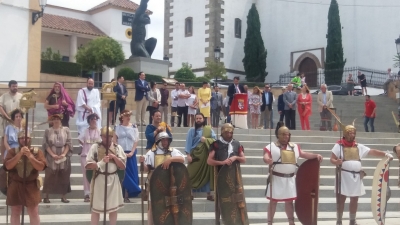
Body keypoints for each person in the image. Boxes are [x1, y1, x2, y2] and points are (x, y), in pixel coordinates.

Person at [329, 118, 393, 225]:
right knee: (341, 199)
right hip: (344, 176)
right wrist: (337, 162)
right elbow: (332, 159)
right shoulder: (339, 145)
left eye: (353, 133)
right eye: (350, 133)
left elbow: (372, 151)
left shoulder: (358, 146)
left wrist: (385, 154)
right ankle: (339, 220)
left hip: (356, 177)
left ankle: (352, 220)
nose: (352, 135)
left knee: (354, 199)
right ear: (345, 134)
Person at [263, 125, 323, 225]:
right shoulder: (271, 146)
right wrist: (267, 160)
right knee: (273, 202)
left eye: (288, 135)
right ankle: (269, 223)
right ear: (279, 135)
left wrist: (315, 155)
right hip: (276, 179)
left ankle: (291, 222)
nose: (286, 137)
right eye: (284, 135)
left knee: (289, 202)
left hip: (289, 179)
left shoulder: (294, 147)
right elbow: (266, 156)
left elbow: (303, 154)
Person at [139, 131, 185, 225]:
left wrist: (170, 159)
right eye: (163, 140)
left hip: (169, 182)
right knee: (152, 206)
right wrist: (142, 163)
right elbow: (146, 168)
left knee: (169, 206)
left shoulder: (173, 151)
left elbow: (182, 159)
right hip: (155, 182)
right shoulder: (151, 153)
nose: (165, 142)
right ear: (158, 141)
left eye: (166, 140)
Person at [85, 126, 126, 225]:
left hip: (113, 180)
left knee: (113, 208)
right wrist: (102, 162)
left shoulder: (117, 148)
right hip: (99, 179)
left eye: (109, 136)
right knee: (96, 208)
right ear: (101, 136)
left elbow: (123, 166)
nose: (107, 138)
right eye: (104, 136)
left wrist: (115, 158)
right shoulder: (95, 147)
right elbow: (88, 165)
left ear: (112, 136)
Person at [4, 129, 46, 225]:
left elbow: (41, 167)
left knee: (33, 212)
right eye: (22, 138)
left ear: (30, 139)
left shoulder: (37, 152)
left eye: (27, 137)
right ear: (18, 139)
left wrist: (30, 156)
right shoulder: (12, 151)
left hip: (31, 184)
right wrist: (19, 154)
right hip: (16, 184)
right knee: (15, 211)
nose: (24, 139)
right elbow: (7, 166)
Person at [42, 114, 72, 203]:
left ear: (61, 120)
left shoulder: (66, 130)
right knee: (49, 175)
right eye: (54, 119)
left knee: (64, 175)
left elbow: (69, 142)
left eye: (58, 119)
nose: (56, 120)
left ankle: (63, 196)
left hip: (63, 155)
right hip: (51, 156)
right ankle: (46, 196)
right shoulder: (48, 131)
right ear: (52, 121)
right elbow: (45, 144)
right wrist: (52, 154)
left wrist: (64, 154)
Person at [185, 113, 216, 200]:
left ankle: (209, 194)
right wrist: (188, 155)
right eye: (197, 118)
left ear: (203, 119)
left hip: (206, 156)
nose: (198, 120)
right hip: (195, 156)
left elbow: (215, 141)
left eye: (200, 118)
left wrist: (206, 140)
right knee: (190, 174)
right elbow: (188, 143)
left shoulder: (209, 130)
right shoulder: (191, 131)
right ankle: (189, 192)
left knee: (207, 175)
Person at [114, 110, 141, 202]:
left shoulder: (134, 127)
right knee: (123, 174)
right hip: (121, 153)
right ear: (122, 117)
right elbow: (115, 141)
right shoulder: (117, 127)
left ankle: (127, 195)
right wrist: (120, 152)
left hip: (131, 153)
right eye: (126, 116)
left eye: (129, 115)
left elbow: (136, 140)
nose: (128, 117)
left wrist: (132, 152)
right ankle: (121, 194)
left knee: (130, 174)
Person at [77, 113, 101, 202]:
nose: (94, 121)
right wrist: (85, 146)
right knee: (86, 174)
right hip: (86, 155)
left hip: (96, 156)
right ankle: (87, 194)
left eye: (95, 119)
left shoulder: (100, 131)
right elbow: (80, 139)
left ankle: (96, 193)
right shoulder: (85, 131)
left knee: (97, 174)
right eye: (92, 119)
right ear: (89, 121)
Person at [0, 80, 22, 161]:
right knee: (4, 138)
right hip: (6, 121)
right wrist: (7, 117)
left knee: (20, 137)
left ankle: (18, 156)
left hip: (18, 121)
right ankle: (3, 158)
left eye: (16, 86)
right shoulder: (4, 96)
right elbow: (0, 106)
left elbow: (23, 108)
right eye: (13, 86)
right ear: (9, 87)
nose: (15, 88)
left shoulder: (21, 96)